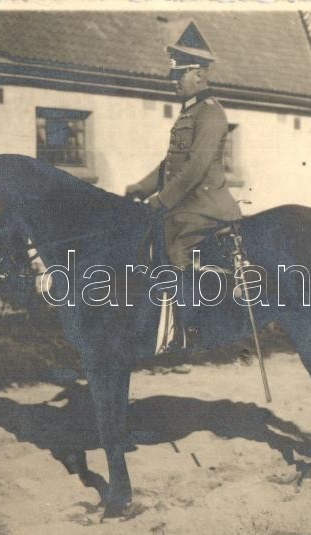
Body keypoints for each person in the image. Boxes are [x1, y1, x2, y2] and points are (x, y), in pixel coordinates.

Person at [126, 36, 242, 345]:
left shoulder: (211, 113)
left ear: (199, 74)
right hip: (187, 201)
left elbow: (196, 168)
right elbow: (171, 164)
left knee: (172, 234)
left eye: (179, 73)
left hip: (207, 203)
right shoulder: (188, 113)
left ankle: (189, 328)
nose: (173, 80)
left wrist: (160, 200)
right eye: (173, 73)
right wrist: (141, 186)